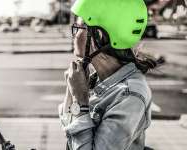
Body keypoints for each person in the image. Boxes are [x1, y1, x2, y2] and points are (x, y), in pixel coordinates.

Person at [58, 0, 158, 149]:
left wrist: (79, 101)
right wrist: (72, 91)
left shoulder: (130, 96)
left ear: (97, 35)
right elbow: (68, 127)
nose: (74, 35)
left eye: (78, 27)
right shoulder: (97, 80)